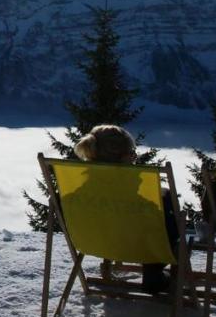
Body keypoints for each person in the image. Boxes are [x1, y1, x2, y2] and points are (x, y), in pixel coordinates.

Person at [72, 124, 176, 293]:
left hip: (91, 242)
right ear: (122, 157)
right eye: (132, 153)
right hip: (134, 244)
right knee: (165, 207)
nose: (134, 158)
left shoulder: (82, 187)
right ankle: (153, 272)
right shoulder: (134, 186)